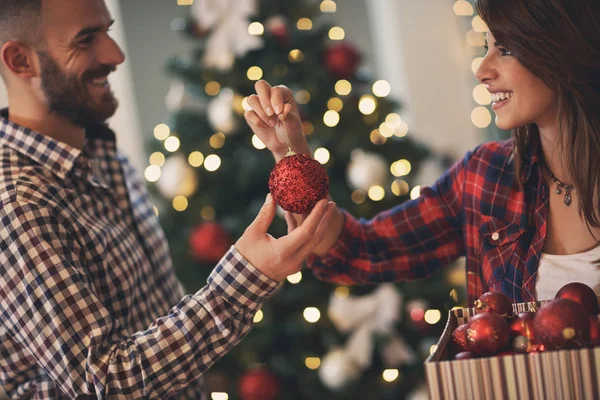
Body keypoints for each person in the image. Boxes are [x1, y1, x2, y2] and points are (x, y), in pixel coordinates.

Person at [0, 0, 335, 398]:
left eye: (107, 30)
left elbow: (155, 323)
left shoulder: (103, 156)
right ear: (21, 60)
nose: (116, 54)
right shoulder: (16, 203)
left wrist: (290, 161)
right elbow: (105, 382)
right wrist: (245, 278)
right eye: (86, 40)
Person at [245, 0, 600, 306]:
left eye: (505, 50)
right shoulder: (484, 176)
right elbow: (359, 250)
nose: (482, 69)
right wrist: (291, 150)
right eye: (486, 46)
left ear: (565, 50)